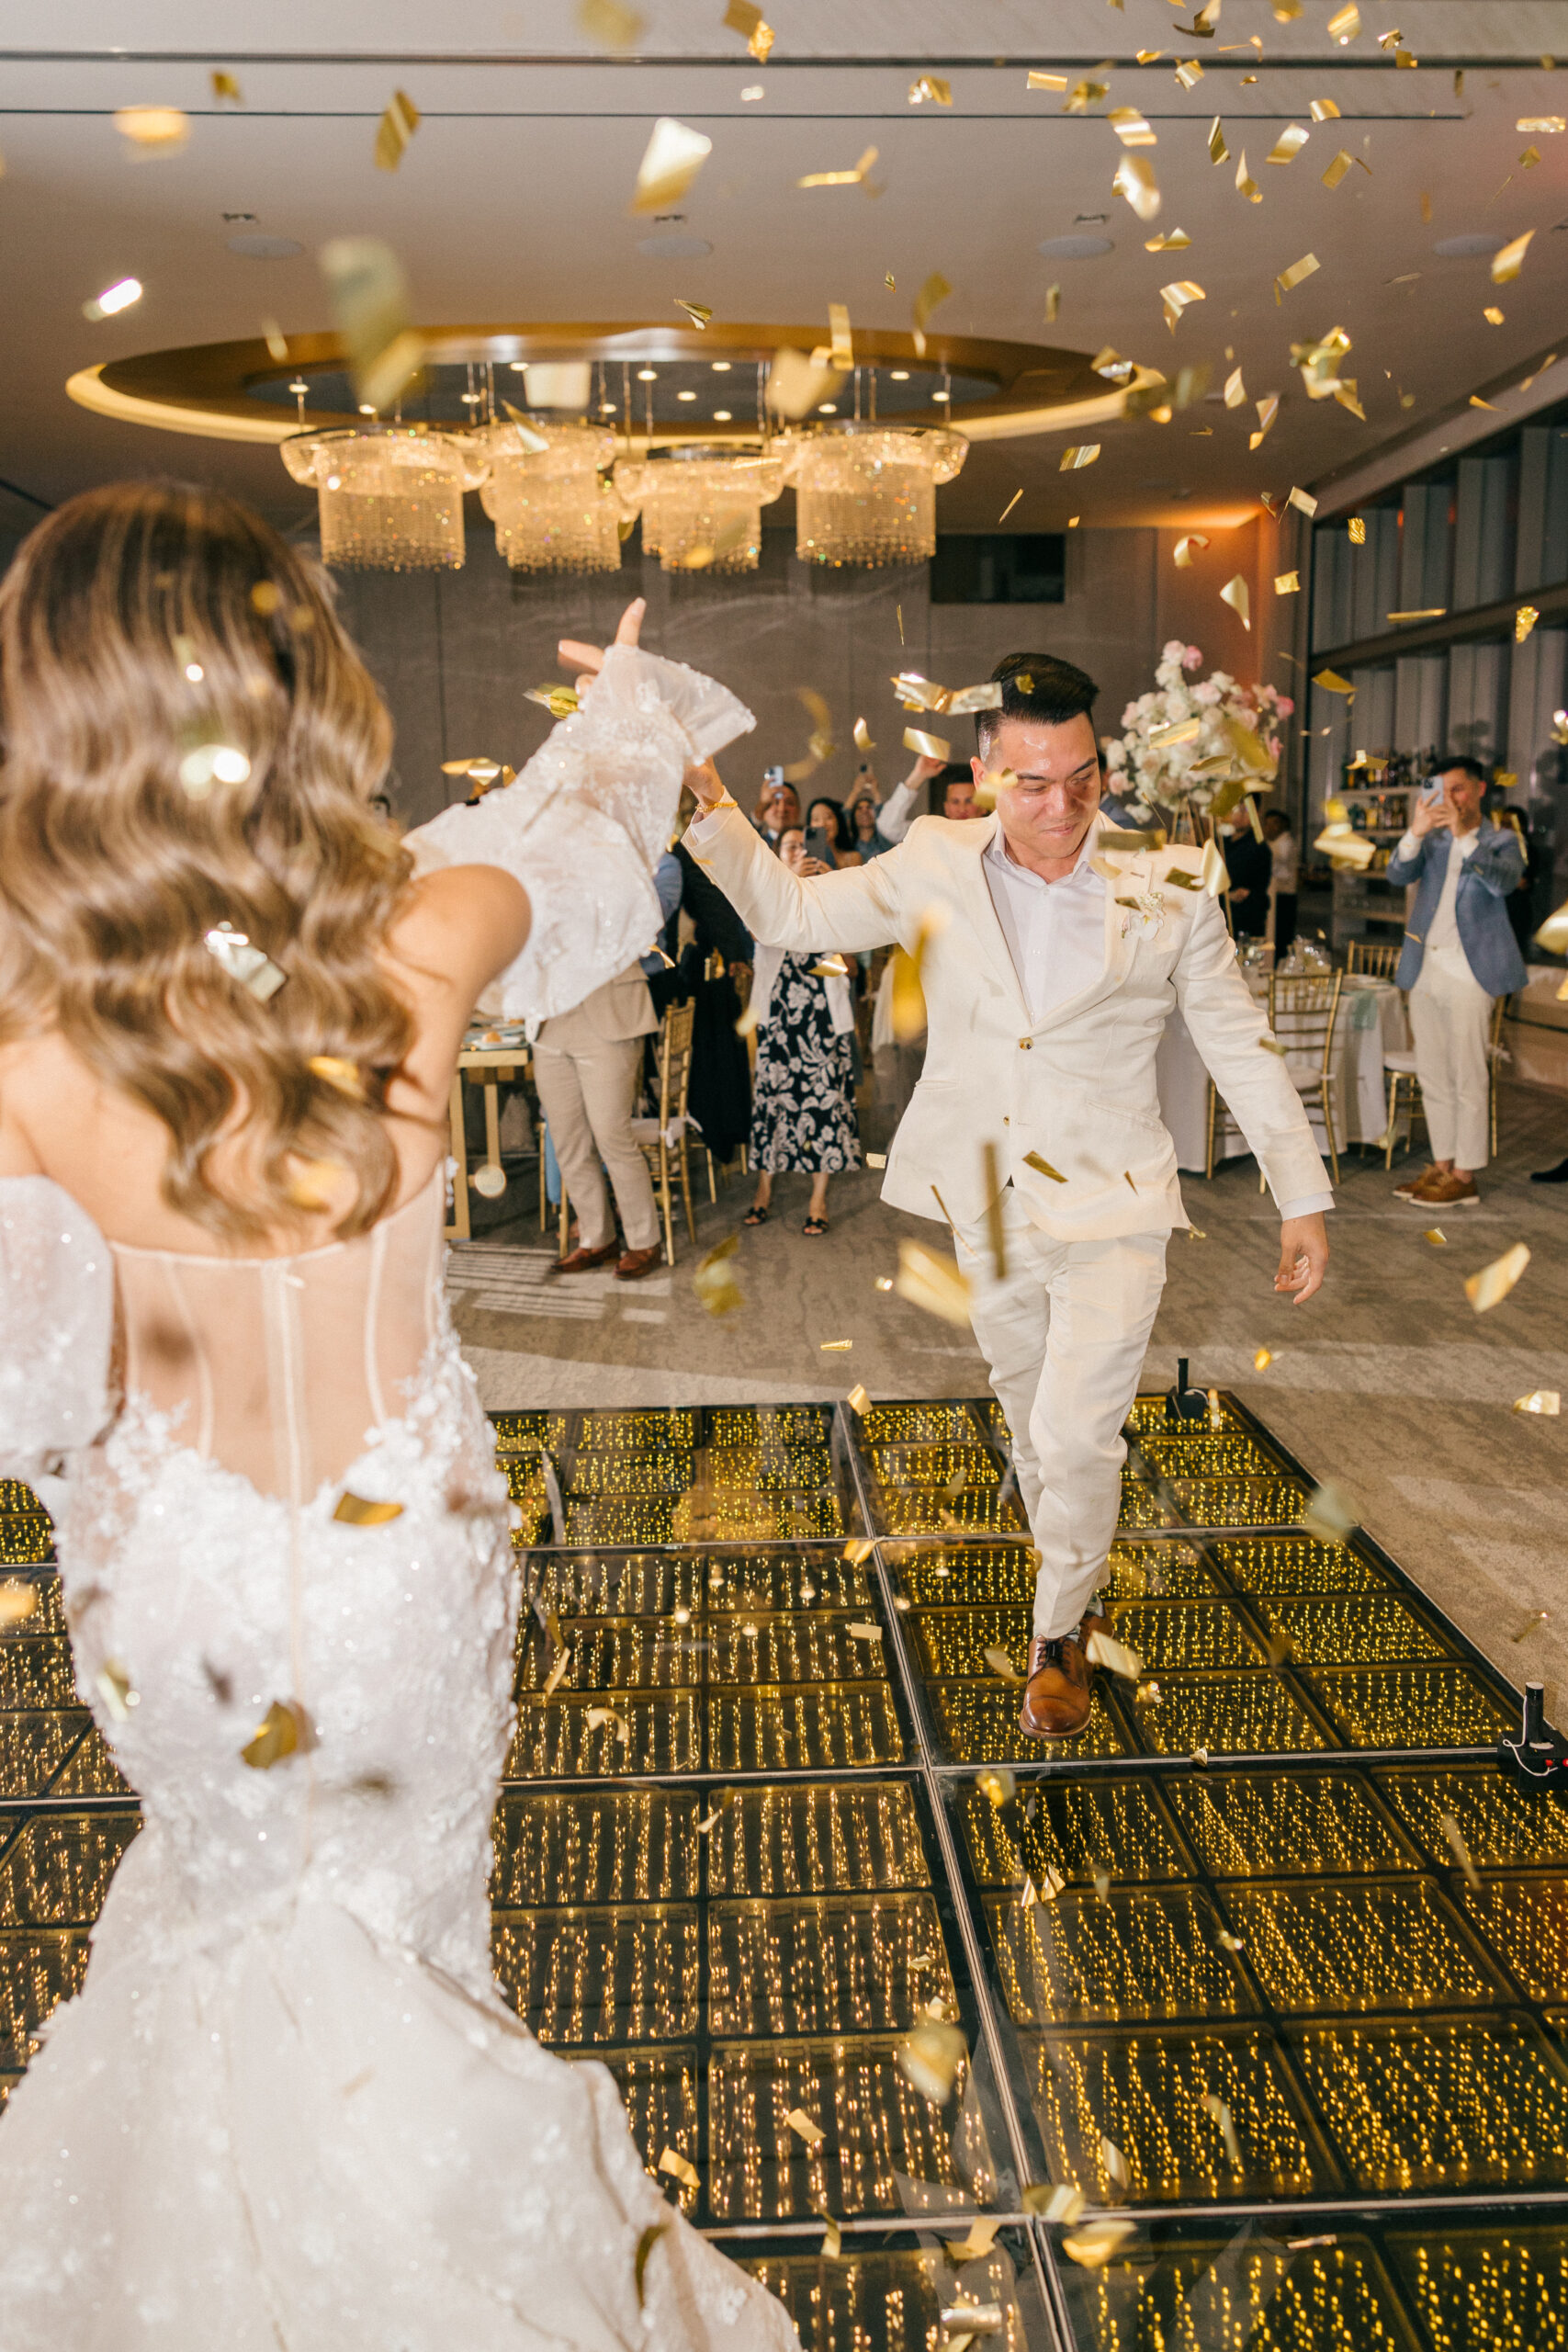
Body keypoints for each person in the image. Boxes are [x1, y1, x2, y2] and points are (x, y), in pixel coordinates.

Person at [0, 483, 793, 2352]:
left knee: (230, 1928)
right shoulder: (418, 937)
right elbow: (594, 826)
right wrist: (622, 712)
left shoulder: (29, 1037)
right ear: (308, 698)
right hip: (399, 1570)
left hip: (178, 1579)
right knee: (408, 1936)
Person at [684, 650, 1330, 1741]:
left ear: (1101, 761)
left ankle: (1058, 1629)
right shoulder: (934, 855)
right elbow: (792, 912)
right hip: (986, 1191)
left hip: (1117, 1202)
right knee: (1033, 1412)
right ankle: (1063, 1542)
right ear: (984, 770)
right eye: (1031, 781)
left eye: (1080, 775)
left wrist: (1301, 1192)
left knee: (1081, 1436)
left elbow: (1240, 1041)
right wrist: (709, 806)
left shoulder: (1171, 873)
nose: (1060, 804)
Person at [1386, 756, 1527, 1209]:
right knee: (1432, 1072)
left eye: (1459, 790)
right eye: (1442, 791)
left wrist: (1465, 837)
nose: (1451, 800)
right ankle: (1441, 1166)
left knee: (1468, 1072)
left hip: (1472, 969)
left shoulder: (1503, 839)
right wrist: (1417, 830)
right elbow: (1396, 873)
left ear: (1480, 790)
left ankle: (1466, 1175)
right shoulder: (1432, 841)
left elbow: (1504, 883)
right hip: (1426, 964)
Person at [742, 828, 860, 1237]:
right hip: (778, 1016)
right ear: (777, 854)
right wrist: (788, 883)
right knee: (773, 1101)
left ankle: (818, 1197)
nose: (800, 852)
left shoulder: (833, 894)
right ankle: (764, 1188)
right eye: (791, 846)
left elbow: (850, 966)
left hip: (822, 1018)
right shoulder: (766, 895)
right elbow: (758, 934)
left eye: (805, 846)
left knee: (824, 1104)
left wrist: (828, 898)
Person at [534, 956, 666, 1282]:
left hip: (609, 1008)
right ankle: (597, 1238)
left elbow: (657, 913)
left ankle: (644, 1241)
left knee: (612, 1136)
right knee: (567, 1140)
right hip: (546, 1017)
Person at [1223, 803, 1271, 940]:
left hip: (1246, 916)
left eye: (1245, 812)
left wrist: (1239, 895)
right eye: (1236, 811)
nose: (1239, 816)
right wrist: (1227, 896)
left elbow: (1259, 888)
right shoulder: (1222, 842)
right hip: (1222, 912)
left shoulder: (1258, 847)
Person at [1263, 808, 1298, 957]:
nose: (1269, 828)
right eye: (1267, 824)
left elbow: (1277, 858)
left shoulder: (1285, 842)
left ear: (1283, 825)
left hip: (1284, 895)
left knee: (1281, 936)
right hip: (1279, 894)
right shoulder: (1276, 842)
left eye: (1274, 824)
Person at [806, 795, 862, 868]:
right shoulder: (805, 860)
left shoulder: (853, 857)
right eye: (816, 819)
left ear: (838, 822)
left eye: (828, 817)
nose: (822, 824)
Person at [752, 768, 799, 846]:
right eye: (775, 802)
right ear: (764, 810)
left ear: (798, 810)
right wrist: (758, 815)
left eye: (789, 803)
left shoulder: (807, 846)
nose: (782, 809)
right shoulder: (756, 844)